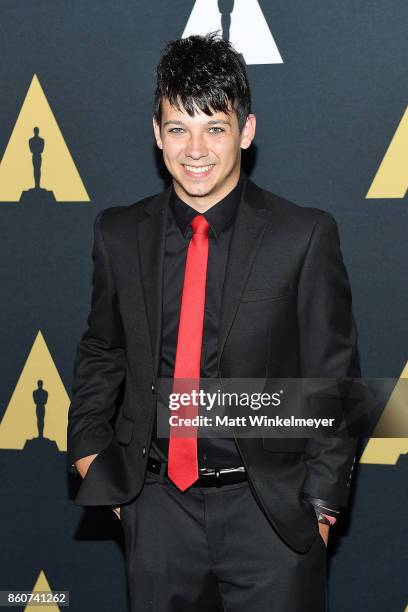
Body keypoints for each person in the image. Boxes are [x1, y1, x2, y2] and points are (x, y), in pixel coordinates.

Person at [67, 32, 360, 612]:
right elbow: (103, 348)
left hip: (271, 516)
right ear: (157, 134)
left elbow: (334, 378)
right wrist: (90, 455)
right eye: (179, 128)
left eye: (215, 128)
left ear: (246, 133)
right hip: (157, 509)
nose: (195, 149)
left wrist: (321, 509)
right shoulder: (119, 233)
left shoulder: (303, 234)